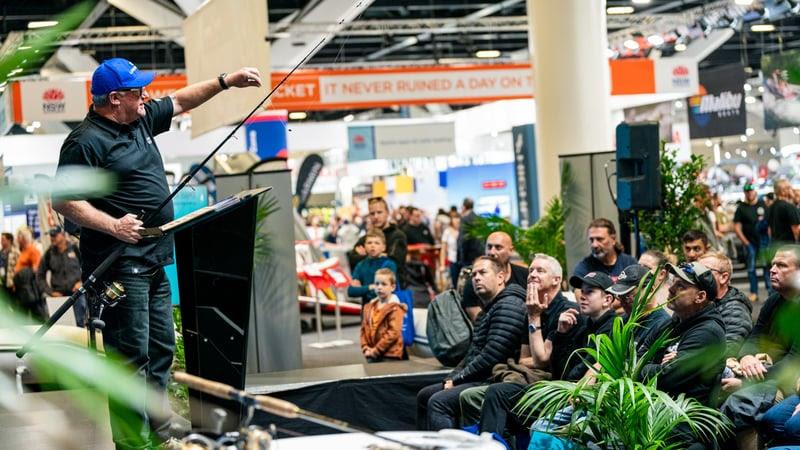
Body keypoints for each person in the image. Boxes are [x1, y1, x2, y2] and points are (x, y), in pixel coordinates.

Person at [54, 57, 262, 448]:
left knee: (161, 349)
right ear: (114, 99)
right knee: (130, 360)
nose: (145, 96)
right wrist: (113, 225)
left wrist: (224, 79)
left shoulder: (141, 118)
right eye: (136, 92)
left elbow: (181, 101)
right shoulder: (85, 142)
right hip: (119, 267)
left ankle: (161, 434)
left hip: (153, 261)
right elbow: (64, 201)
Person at [458, 253, 576, 433]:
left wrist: (534, 319)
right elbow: (524, 359)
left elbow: (542, 361)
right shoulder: (530, 308)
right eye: (531, 270)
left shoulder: (566, 311)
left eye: (540, 271)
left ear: (556, 280)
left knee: (496, 393)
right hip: (530, 378)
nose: (532, 274)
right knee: (469, 396)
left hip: (554, 385)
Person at [416, 256, 527, 431]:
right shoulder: (489, 309)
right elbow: (472, 353)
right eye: (474, 274)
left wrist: (459, 378)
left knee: (438, 402)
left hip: (496, 378)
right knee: (425, 395)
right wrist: (451, 378)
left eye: (483, 272)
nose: (476, 278)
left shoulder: (510, 304)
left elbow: (493, 354)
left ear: (500, 277)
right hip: (482, 375)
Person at [722, 246, 800, 439]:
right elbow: (754, 337)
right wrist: (747, 356)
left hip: (785, 382)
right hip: (763, 372)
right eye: (772, 264)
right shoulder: (774, 300)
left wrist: (745, 382)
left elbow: (793, 362)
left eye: (781, 265)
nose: (772, 269)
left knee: (740, 404)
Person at [638, 262, 726, 406]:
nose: (671, 289)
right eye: (674, 283)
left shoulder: (708, 333)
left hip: (686, 421)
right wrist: (660, 364)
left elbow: (665, 378)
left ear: (700, 296)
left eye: (681, 286)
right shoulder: (670, 323)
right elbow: (637, 358)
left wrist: (653, 362)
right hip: (656, 410)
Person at [460, 231, 528, 322]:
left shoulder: (525, 275)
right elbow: (479, 324)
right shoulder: (475, 281)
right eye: (489, 247)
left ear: (511, 250)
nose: (491, 252)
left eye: (498, 247)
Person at [697, 251, 753, 358]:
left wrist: (685, 356)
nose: (697, 276)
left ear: (723, 277)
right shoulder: (703, 302)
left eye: (705, 271)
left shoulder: (735, 310)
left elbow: (728, 351)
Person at [606, 264, 670, 348]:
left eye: (628, 296)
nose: (622, 303)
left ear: (650, 290)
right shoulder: (622, 321)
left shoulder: (662, 325)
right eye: (619, 297)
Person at [570, 218, 637, 297]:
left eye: (599, 239)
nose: (594, 245)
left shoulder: (629, 263)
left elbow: (636, 295)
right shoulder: (584, 267)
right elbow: (581, 299)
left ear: (613, 239)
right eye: (591, 240)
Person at [37, 226, 85, 327]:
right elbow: (40, 275)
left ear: (62, 235)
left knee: (79, 325)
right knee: (61, 327)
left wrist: (81, 282)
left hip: (76, 295)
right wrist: (50, 292)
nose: (52, 237)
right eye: (50, 235)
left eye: (54, 235)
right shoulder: (49, 253)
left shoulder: (74, 248)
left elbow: (86, 267)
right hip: (59, 297)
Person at [360, 268, 406, 363]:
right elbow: (364, 329)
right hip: (371, 354)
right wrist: (365, 348)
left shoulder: (395, 308)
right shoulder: (369, 307)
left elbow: (393, 332)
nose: (379, 287)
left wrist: (376, 350)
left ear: (393, 287)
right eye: (377, 284)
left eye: (384, 284)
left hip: (390, 355)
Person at [734, 183, 769, 301]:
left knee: (767, 267)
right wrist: (746, 243)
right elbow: (737, 227)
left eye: (751, 191)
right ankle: (754, 292)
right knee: (751, 268)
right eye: (747, 191)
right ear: (744, 193)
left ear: (755, 191)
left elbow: (769, 223)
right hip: (749, 243)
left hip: (763, 241)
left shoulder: (762, 204)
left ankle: (770, 290)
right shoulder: (741, 208)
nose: (749, 193)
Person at [365, 197, 407, 286]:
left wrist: (367, 255)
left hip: (393, 288)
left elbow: (394, 262)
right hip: (369, 287)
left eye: (379, 212)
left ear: (387, 213)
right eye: (372, 213)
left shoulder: (398, 236)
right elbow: (353, 257)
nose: (376, 216)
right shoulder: (368, 235)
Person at [348, 229, 397, 305]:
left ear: (383, 247)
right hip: (366, 310)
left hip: (384, 309)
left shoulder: (389, 264)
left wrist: (362, 289)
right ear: (365, 246)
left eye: (377, 243)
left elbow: (385, 291)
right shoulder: (361, 265)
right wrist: (370, 287)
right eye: (369, 243)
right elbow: (351, 291)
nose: (372, 245)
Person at [455, 197, 484, 282]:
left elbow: (463, 240)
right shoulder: (480, 219)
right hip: (481, 255)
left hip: (469, 257)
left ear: (463, 207)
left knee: (468, 282)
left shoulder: (465, 219)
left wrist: (461, 259)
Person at [767, 179, 800, 244]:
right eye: (790, 188)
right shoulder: (789, 207)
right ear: (783, 191)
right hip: (789, 247)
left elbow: (769, 230)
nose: (792, 190)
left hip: (775, 245)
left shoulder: (771, 207)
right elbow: (796, 231)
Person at [439, 212, 460, 289]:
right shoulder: (447, 231)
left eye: (458, 218)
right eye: (454, 218)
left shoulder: (462, 231)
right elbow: (443, 250)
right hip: (452, 260)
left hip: (462, 260)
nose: (456, 220)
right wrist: (442, 265)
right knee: (453, 283)